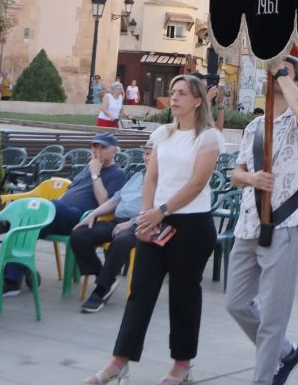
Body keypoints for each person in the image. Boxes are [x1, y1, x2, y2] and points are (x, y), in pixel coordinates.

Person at [84, 74, 220, 385]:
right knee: (140, 291)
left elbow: (197, 183)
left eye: (182, 93)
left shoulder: (208, 137)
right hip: (156, 219)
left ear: (198, 100)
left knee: (183, 296)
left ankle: (181, 365)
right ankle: (119, 362)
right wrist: (147, 216)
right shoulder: (162, 133)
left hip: (192, 224)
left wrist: (161, 211)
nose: (174, 98)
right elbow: (151, 179)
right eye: (173, 92)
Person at [226, 57, 298, 385]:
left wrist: (285, 76)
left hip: (284, 224)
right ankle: (286, 352)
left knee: (272, 316)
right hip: (249, 223)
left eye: (284, 74)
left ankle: (262, 380)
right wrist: (252, 179)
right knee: (235, 302)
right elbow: (236, 172)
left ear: (297, 82)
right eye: (274, 73)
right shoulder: (255, 125)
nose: (274, 77)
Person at [4, 133, 127, 297]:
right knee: (23, 228)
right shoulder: (87, 167)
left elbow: (106, 203)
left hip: (80, 219)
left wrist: (95, 174)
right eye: (94, 146)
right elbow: (70, 192)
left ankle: (5, 222)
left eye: (102, 147)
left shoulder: (117, 173)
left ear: (114, 151)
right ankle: (12, 281)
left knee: (51, 206)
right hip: (58, 216)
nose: (97, 151)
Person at [72, 140, 153, 313]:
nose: (146, 157)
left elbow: (158, 210)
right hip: (117, 221)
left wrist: (132, 223)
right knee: (80, 234)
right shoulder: (138, 176)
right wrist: (93, 214)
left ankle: (101, 289)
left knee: (122, 241)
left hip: (142, 225)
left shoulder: (166, 181)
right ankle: (104, 277)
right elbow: (115, 200)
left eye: (150, 153)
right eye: (145, 153)